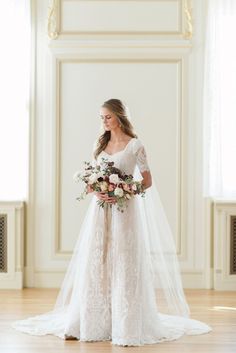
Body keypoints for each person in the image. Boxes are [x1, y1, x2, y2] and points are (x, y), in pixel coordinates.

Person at [11, 98, 212, 346]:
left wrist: (124, 189)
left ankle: (126, 326)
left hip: (125, 211)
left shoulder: (135, 145)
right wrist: (97, 189)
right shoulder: (100, 143)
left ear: (119, 116)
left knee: (123, 260)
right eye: (101, 117)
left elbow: (147, 181)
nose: (104, 121)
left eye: (107, 116)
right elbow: (91, 178)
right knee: (98, 260)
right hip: (99, 211)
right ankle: (91, 322)